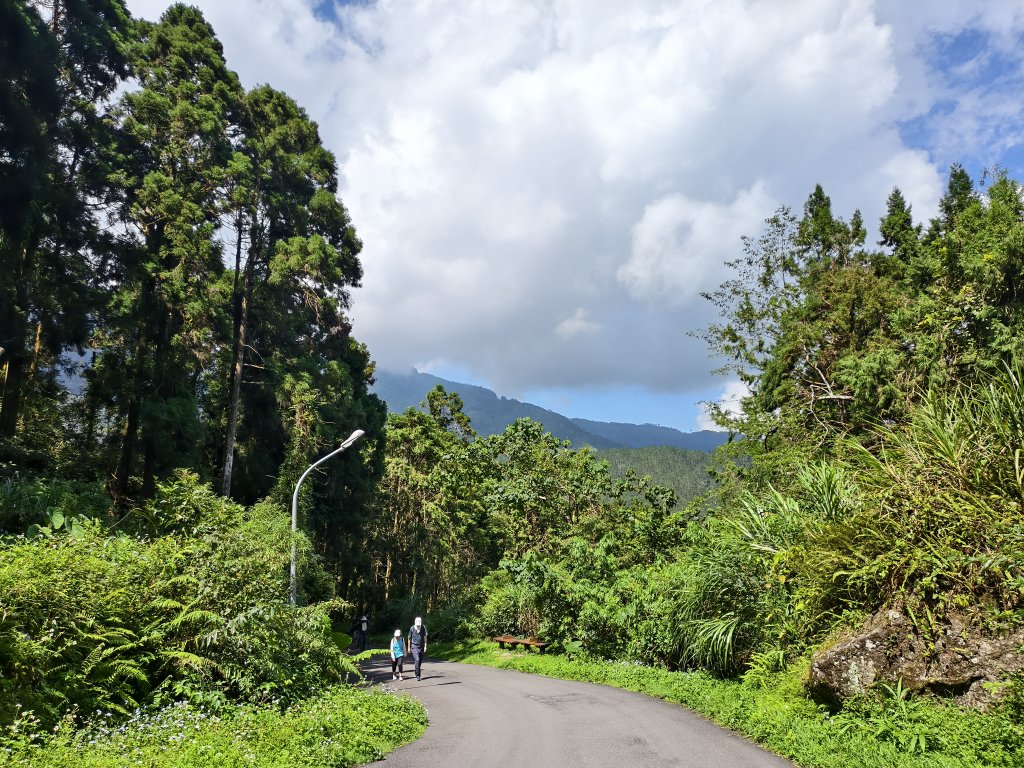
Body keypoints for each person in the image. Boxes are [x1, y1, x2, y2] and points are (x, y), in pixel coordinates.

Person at [407, 616, 428, 680]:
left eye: (419, 625)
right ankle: (418, 676)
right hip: (414, 646)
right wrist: (408, 647)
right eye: (417, 625)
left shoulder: (423, 627)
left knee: (420, 661)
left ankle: (416, 671)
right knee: (417, 660)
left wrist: (425, 645)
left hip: (421, 646)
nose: (418, 626)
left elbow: (425, 637)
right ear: (415, 623)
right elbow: (409, 638)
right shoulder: (412, 628)